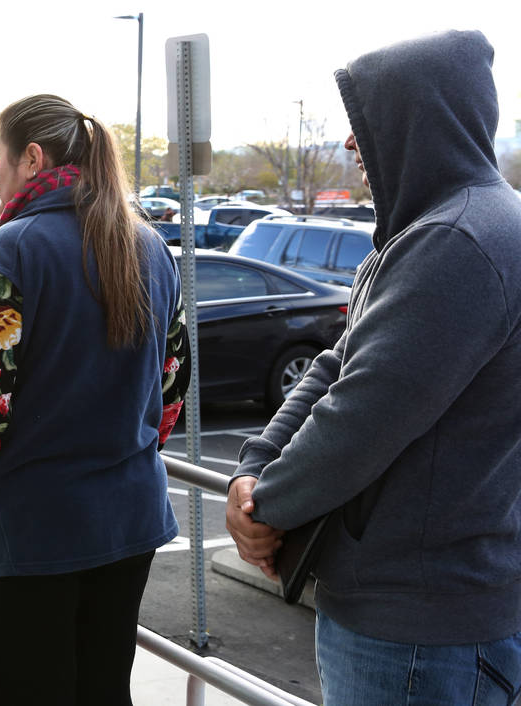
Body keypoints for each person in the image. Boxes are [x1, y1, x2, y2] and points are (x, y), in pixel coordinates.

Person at [225, 30, 521, 704]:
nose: (353, 144)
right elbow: (336, 366)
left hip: (421, 634)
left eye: (365, 121)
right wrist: (253, 469)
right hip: (413, 622)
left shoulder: (462, 240)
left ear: (421, 122)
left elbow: (359, 417)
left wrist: (263, 508)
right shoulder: (429, 233)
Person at [0, 95, 189, 706]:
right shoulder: (147, 245)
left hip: (29, 533)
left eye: (0, 162)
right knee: (103, 690)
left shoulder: (12, 249)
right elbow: (171, 385)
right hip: (130, 519)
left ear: (33, 159)